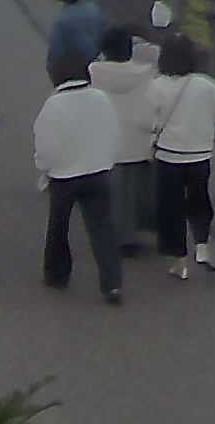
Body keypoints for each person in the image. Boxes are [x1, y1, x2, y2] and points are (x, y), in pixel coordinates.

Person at [31, 60, 124, 305]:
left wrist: (44, 168)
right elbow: (114, 132)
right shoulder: (101, 98)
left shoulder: (53, 105)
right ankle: (112, 283)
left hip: (64, 176)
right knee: (102, 227)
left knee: (59, 225)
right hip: (98, 170)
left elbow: (45, 145)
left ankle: (57, 274)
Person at [149, 33, 215, 279]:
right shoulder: (207, 85)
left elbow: (150, 121)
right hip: (200, 155)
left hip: (168, 156)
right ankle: (202, 247)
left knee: (171, 208)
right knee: (199, 200)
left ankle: (179, 260)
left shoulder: (156, 87)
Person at [88, 27, 166, 257]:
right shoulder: (147, 74)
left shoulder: (92, 73)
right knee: (135, 191)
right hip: (138, 142)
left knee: (110, 192)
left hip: (105, 144)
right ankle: (134, 233)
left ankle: (116, 235)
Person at [43, 0, 106, 87]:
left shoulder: (62, 22)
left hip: (77, 79)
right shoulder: (95, 11)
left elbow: (55, 60)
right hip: (99, 72)